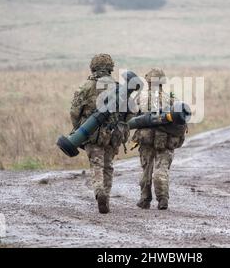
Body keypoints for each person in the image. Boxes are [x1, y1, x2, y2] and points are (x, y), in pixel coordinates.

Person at [70, 54, 129, 214]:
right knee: (108, 166)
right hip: (112, 134)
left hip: (91, 133)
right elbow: (130, 112)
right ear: (110, 68)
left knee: (96, 164)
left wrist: (78, 130)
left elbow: (75, 111)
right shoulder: (118, 87)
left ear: (93, 67)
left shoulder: (85, 86)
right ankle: (106, 197)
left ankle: (99, 191)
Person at [131, 68, 187, 210]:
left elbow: (131, 119)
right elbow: (181, 121)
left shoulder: (140, 98)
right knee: (161, 170)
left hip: (146, 140)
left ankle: (145, 200)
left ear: (148, 81)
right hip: (165, 141)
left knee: (146, 170)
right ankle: (162, 200)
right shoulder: (172, 99)